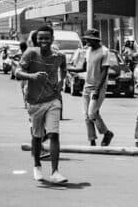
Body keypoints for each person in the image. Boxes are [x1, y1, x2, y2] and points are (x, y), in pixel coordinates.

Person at [16, 25, 69, 184]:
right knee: (37, 137)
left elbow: (64, 68)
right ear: (36, 40)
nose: (44, 41)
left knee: (54, 134)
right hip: (34, 102)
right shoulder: (31, 53)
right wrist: (32, 76)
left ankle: (55, 172)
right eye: (41, 38)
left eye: (47, 38)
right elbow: (17, 72)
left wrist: (61, 82)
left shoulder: (59, 56)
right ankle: (37, 165)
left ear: (52, 39)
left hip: (53, 100)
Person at [68, 29, 114, 147]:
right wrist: (69, 69)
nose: (87, 41)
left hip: (98, 87)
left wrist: (97, 90)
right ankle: (92, 140)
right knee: (86, 116)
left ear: (95, 40)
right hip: (87, 86)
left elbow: (104, 72)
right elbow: (84, 67)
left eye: (89, 39)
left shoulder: (104, 51)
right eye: (86, 39)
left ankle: (107, 133)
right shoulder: (88, 51)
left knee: (92, 113)